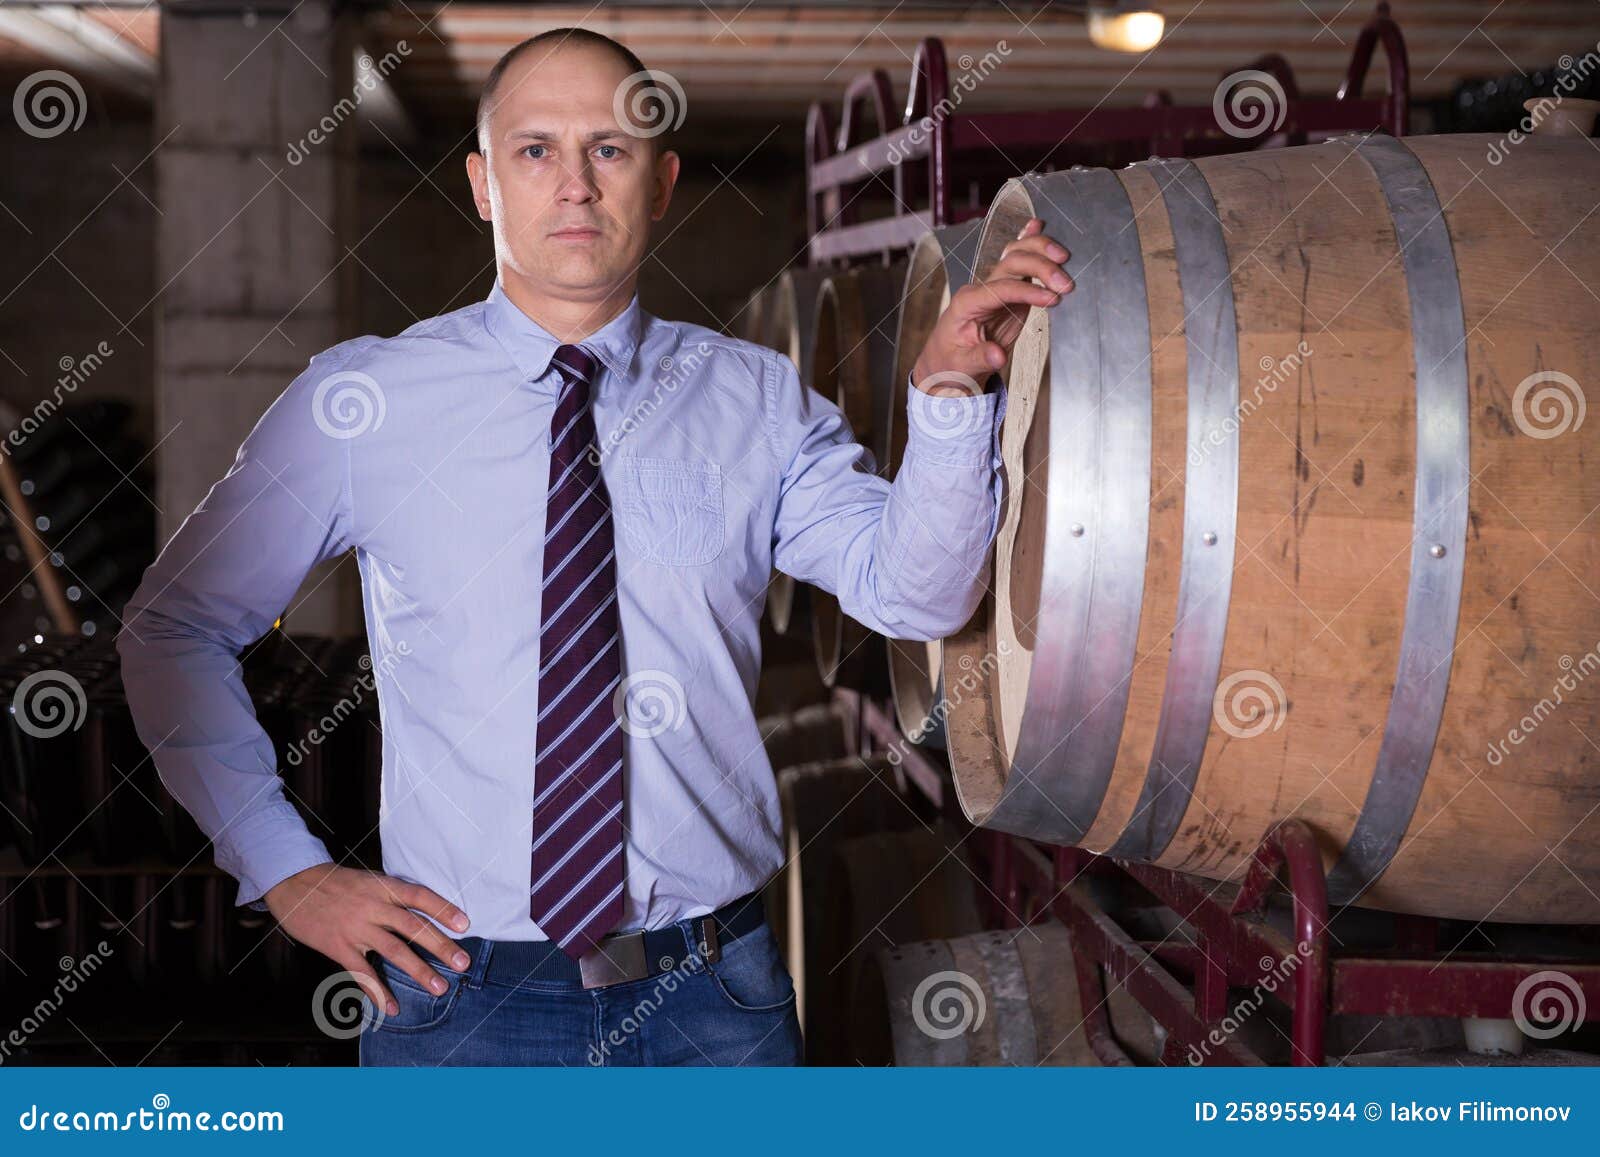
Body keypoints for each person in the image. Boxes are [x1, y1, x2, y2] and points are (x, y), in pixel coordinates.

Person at [116, 26, 1073, 1067]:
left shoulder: (750, 398)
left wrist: (945, 394)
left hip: (711, 994)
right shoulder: (365, 403)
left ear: (659, 184)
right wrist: (284, 868)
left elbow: (918, 595)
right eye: (535, 151)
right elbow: (174, 627)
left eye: (608, 150)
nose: (573, 185)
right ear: (483, 184)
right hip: (460, 998)